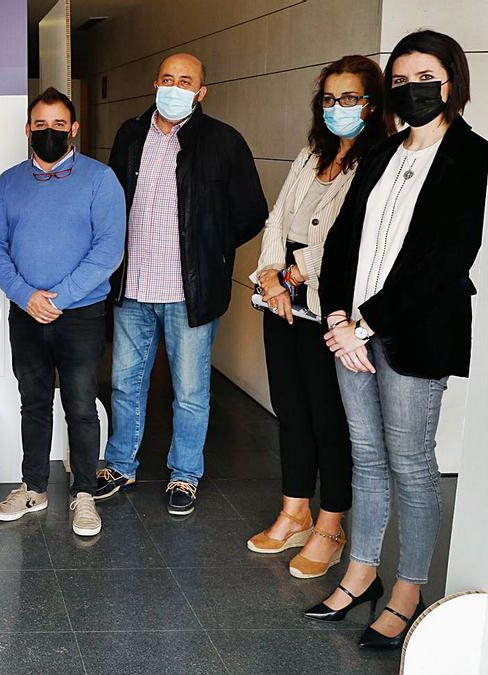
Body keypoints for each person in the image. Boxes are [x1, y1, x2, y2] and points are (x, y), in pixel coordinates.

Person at [307, 30, 487, 651]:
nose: (413, 90)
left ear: (452, 81)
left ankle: (408, 591)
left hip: (409, 335)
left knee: (411, 464)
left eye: (425, 77)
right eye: (402, 81)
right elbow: (342, 243)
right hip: (348, 332)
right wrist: (336, 318)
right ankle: (362, 572)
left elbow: (442, 259)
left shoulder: (472, 157)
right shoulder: (381, 154)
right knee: (366, 457)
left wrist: (366, 323)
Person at [95, 53, 268, 515]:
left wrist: (211, 247)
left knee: (190, 390)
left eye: (185, 80)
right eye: (168, 79)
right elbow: (114, 203)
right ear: (155, 83)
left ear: (201, 91)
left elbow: (251, 211)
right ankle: (119, 464)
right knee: (125, 384)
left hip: (189, 290)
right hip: (132, 286)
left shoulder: (223, 142)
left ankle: (184, 474)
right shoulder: (131, 135)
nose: (175, 87)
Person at [245, 56, 390, 579]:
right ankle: (294, 512)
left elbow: (348, 235)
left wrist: (292, 274)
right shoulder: (312, 153)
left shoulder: (379, 158)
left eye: (350, 98)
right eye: (329, 98)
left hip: (332, 308)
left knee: (331, 421)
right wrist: (267, 275)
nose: (338, 108)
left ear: (372, 103)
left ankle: (331, 526)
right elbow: (278, 218)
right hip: (283, 303)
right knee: (292, 412)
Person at [0, 87, 126, 537]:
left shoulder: (101, 179)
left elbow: (108, 251)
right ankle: (33, 487)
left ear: (74, 130)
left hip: (80, 313)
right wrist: (27, 296)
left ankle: (84, 494)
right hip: (26, 312)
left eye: (59, 125)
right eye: (40, 125)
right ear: (28, 130)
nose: (49, 132)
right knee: (34, 401)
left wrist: (58, 297)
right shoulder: (8, 182)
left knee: (82, 405)